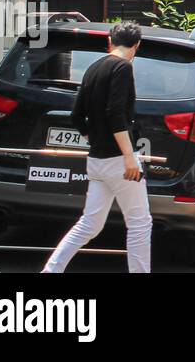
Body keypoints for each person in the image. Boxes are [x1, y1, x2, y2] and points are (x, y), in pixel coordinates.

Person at [43, 21, 152, 273]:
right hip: (119, 160)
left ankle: (51, 270)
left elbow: (76, 115)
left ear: (110, 42)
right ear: (136, 45)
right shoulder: (123, 68)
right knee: (139, 223)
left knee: (90, 223)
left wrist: (93, 137)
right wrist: (128, 157)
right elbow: (116, 113)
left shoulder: (93, 68)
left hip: (97, 161)